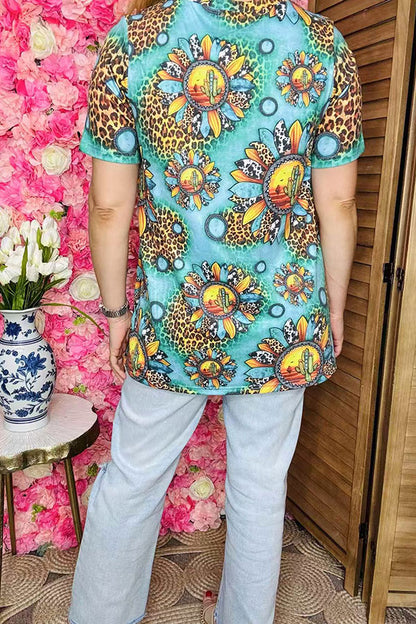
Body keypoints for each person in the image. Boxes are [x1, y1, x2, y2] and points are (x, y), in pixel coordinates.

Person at [68, 0, 364, 622]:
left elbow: (108, 207)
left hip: (170, 319)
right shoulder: (322, 45)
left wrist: (118, 314)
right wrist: (333, 308)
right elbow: (337, 203)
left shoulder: (133, 42)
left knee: (133, 477)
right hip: (283, 321)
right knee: (260, 486)